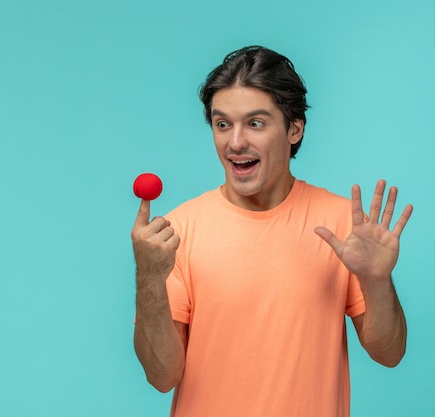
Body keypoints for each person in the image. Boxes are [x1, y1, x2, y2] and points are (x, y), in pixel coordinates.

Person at [130, 45, 413, 417]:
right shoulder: (178, 231)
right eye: (222, 123)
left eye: (256, 123)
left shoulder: (342, 225)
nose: (235, 142)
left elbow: (388, 354)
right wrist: (149, 276)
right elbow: (162, 375)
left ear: (294, 129)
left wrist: (377, 281)